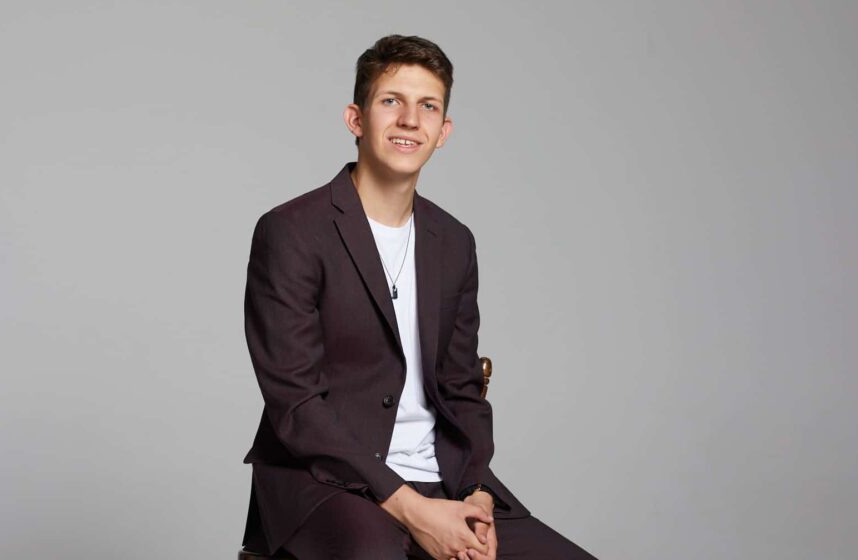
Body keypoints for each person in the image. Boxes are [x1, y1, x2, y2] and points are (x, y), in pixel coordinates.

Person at [241, 34, 597, 560]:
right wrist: (414, 510)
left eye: (427, 106)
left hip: (444, 479)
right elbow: (297, 405)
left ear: (443, 131)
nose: (410, 120)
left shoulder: (453, 242)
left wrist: (476, 493)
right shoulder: (292, 231)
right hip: (327, 483)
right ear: (356, 119)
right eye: (392, 101)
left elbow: (460, 388)